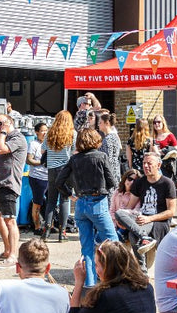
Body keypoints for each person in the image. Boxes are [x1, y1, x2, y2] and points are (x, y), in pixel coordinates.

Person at [57, 127, 118, 286]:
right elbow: (112, 181)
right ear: (95, 140)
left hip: (81, 204)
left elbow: (59, 181)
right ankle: (117, 279)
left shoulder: (74, 159)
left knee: (86, 248)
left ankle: (89, 285)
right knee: (114, 242)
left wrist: (70, 195)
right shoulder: (101, 156)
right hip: (98, 202)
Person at [114, 150, 177, 270]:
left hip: (158, 221)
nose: (146, 166)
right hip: (141, 217)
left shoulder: (167, 183)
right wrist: (123, 220)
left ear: (158, 165)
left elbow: (171, 212)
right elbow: (129, 207)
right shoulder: (140, 182)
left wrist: (149, 218)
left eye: (149, 163)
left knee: (133, 236)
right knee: (119, 213)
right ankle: (144, 237)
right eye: (144, 163)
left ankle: (142, 270)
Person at [0, 111, 28, 267]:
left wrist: (3, 132)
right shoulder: (4, 137)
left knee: (10, 220)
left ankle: (13, 256)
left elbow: (0, 149)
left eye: (1, 123)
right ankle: (6, 250)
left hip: (9, 184)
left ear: (9, 123)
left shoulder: (17, 138)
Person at [43, 109, 75, 241]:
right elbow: (74, 152)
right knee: (65, 199)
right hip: (65, 170)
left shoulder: (50, 133)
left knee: (51, 200)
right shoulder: (72, 134)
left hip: (51, 169)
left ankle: (46, 231)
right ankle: (62, 232)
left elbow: (43, 150)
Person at [27, 120, 49, 233]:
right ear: (36, 132)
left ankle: (50, 225)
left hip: (49, 177)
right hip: (37, 177)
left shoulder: (50, 143)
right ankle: (37, 227)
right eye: (42, 131)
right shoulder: (33, 144)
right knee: (37, 202)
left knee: (50, 203)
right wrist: (42, 162)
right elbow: (29, 160)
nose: (44, 133)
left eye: (46, 130)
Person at [110, 168, 138, 238]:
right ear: (125, 179)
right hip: (114, 223)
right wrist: (117, 219)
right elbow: (111, 210)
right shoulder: (117, 192)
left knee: (116, 238)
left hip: (127, 225)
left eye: (135, 181)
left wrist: (122, 217)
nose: (132, 182)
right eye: (130, 179)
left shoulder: (137, 195)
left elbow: (137, 212)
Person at [98, 109, 122, 184]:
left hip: (111, 175)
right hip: (113, 173)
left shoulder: (109, 139)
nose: (98, 124)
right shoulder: (113, 137)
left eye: (100, 123)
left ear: (107, 123)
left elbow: (109, 159)